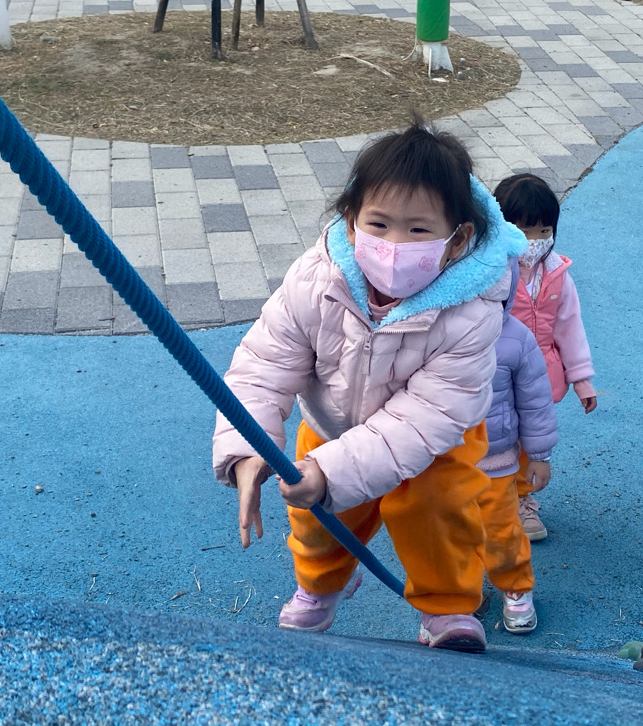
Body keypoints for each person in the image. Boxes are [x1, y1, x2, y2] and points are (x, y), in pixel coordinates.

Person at [212, 121, 526, 654]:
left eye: (418, 230)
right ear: (350, 221)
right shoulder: (317, 279)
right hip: (331, 428)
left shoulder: (471, 311)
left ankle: (447, 606)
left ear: (457, 241)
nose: (394, 245)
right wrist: (247, 447)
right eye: (378, 224)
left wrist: (330, 472)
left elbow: (426, 417)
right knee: (316, 522)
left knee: (438, 513)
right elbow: (264, 363)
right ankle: (322, 584)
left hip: (436, 446)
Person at [493, 173, 597, 542]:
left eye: (544, 230)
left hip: (541, 378)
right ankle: (486, 497)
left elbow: (569, 327)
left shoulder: (557, 275)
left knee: (530, 439)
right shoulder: (492, 272)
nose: (534, 240)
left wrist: (581, 378)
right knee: (494, 438)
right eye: (524, 230)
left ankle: (521, 500)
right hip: (496, 376)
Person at [476, 260, 558, 633]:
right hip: (443, 460)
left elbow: (535, 401)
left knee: (502, 531)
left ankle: (515, 588)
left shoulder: (516, 337)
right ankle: (456, 595)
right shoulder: (431, 331)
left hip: (496, 460)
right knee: (447, 533)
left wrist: (539, 455)